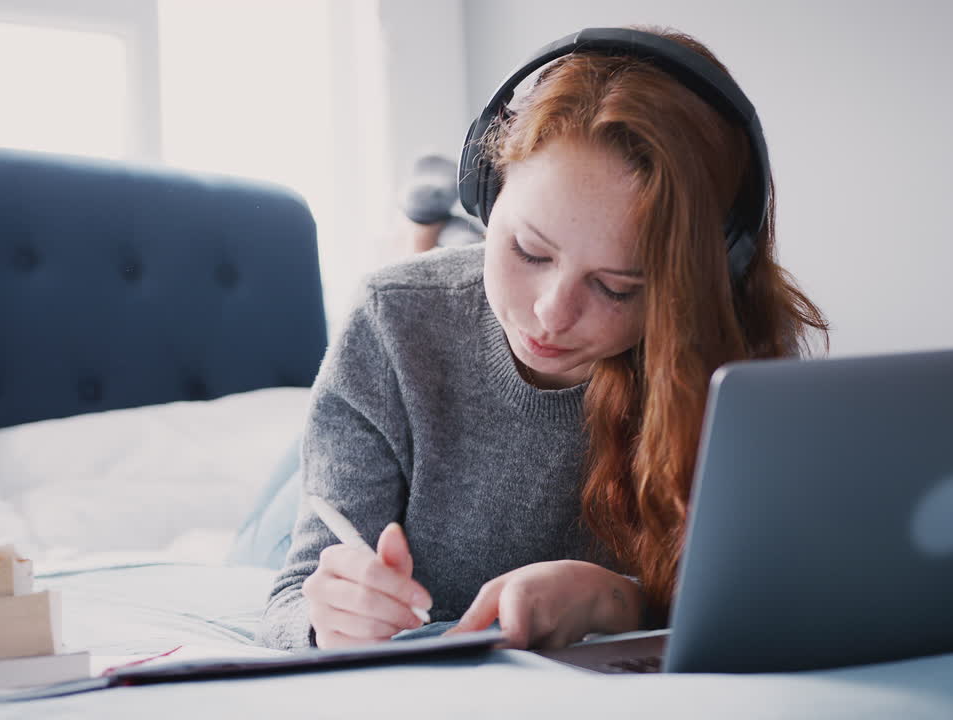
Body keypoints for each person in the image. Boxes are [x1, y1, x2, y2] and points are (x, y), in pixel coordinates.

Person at [259, 25, 828, 652]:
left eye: (615, 287)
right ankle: (426, 232)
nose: (552, 316)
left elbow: (768, 590)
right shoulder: (391, 319)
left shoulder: (737, 358)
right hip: (345, 435)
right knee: (273, 509)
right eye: (529, 251)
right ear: (487, 189)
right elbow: (291, 598)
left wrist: (617, 599)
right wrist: (327, 619)